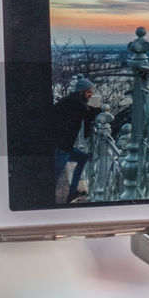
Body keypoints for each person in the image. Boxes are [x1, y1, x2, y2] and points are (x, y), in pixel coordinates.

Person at [52, 75, 102, 203]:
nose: (91, 95)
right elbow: (89, 113)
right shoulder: (77, 104)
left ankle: (73, 192)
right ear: (81, 92)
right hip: (60, 147)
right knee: (53, 178)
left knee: (82, 157)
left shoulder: (70, 100)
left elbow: (87, 110)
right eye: (89, 92)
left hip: (61, 144)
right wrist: (100, 110)